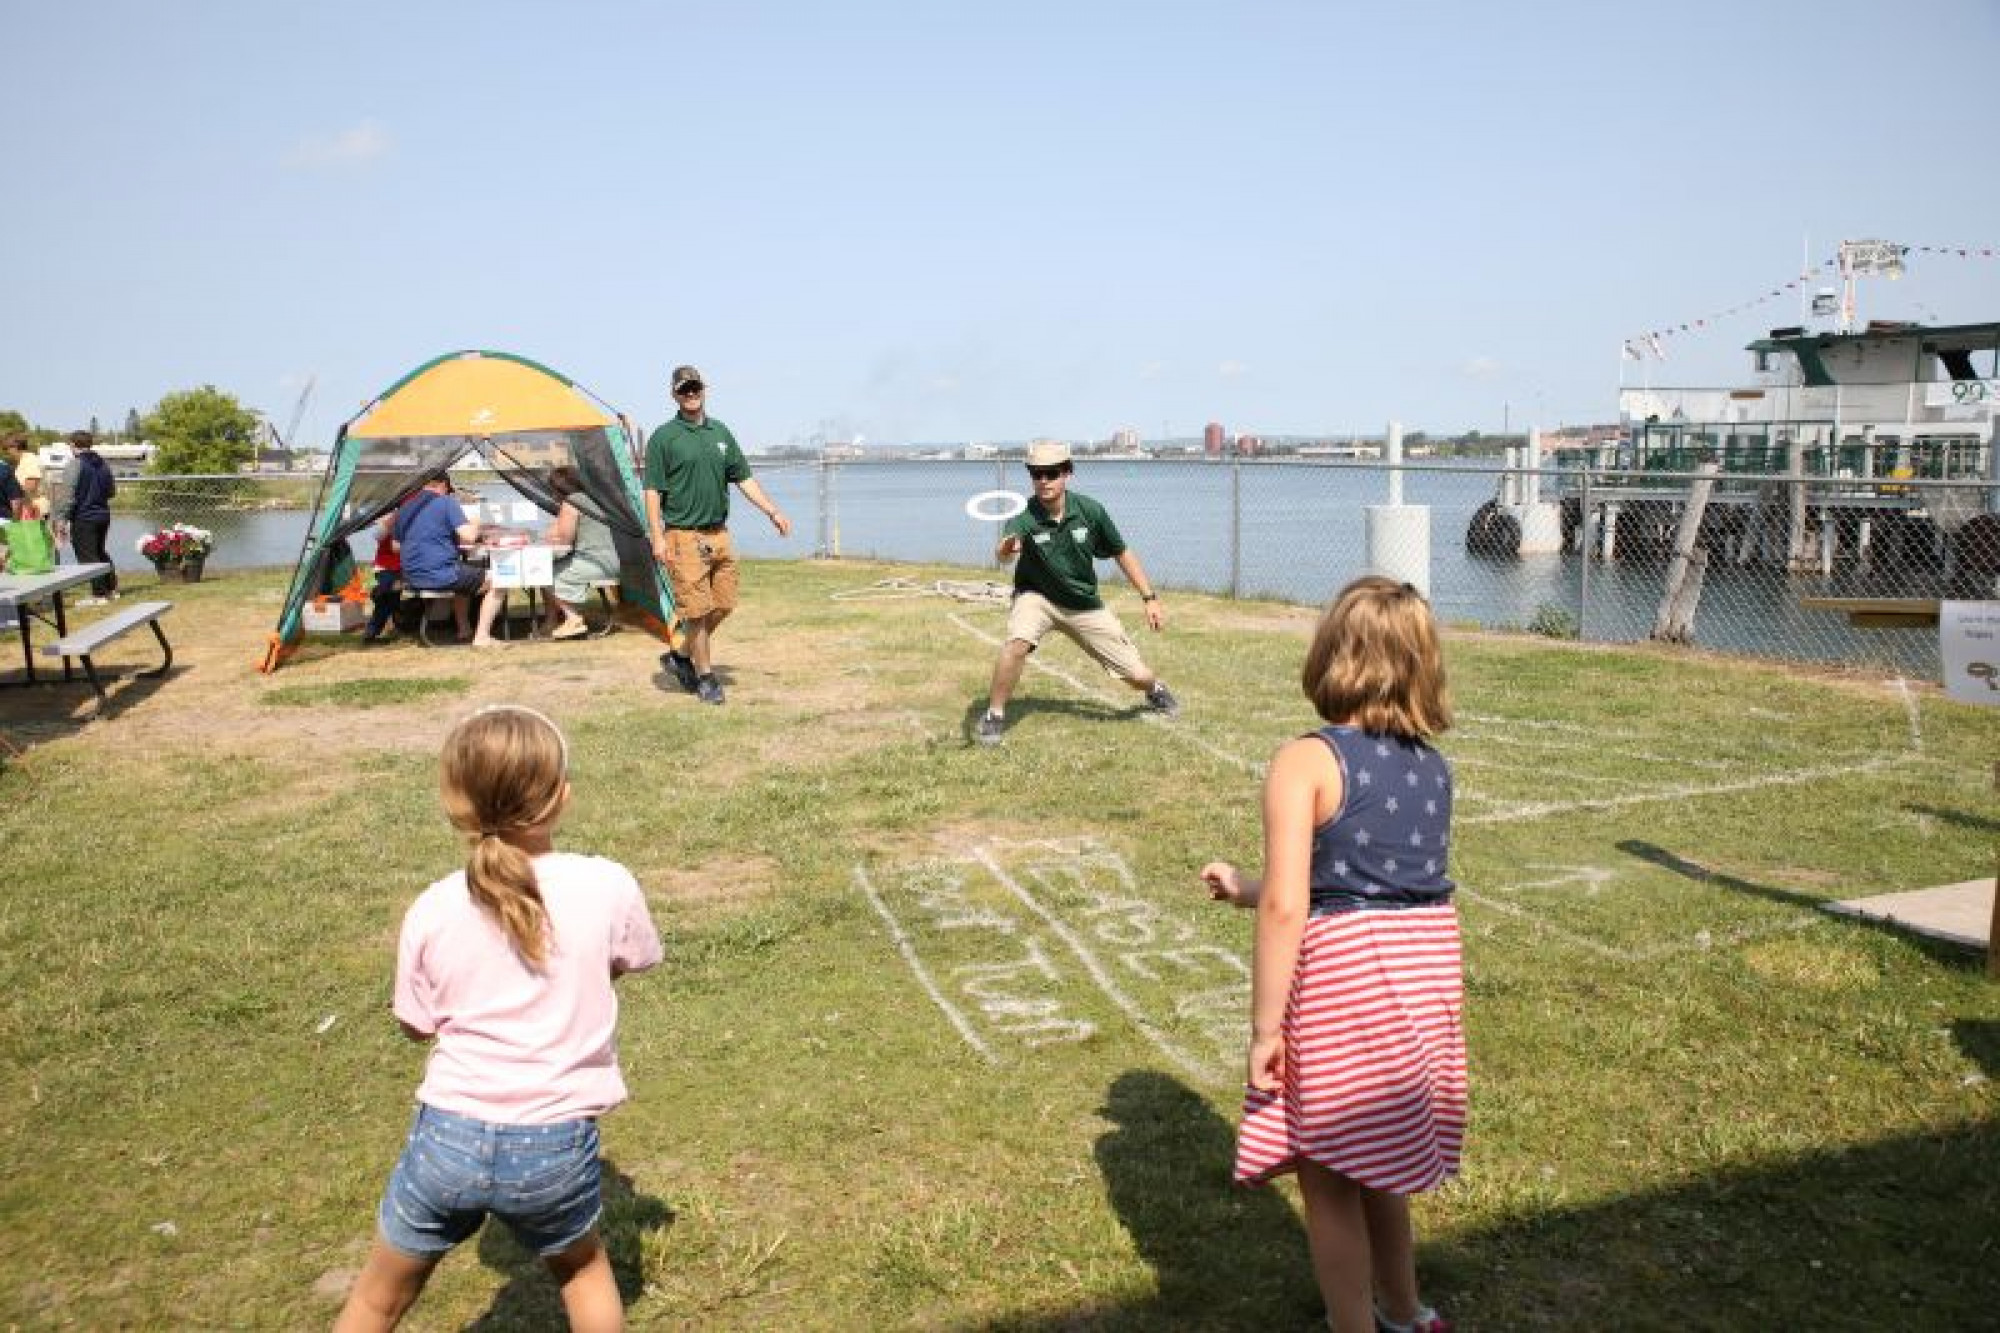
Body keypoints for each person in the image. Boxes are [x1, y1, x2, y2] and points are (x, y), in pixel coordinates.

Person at [334, 704, 663, 1333]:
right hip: (554, 1144)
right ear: (560, 797)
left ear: (454, 799)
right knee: (582, 1271)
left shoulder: (432, 906)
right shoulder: (606, 883)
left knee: (377, 1300)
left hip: (446, 1140)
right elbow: (632, 958)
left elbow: (416, 1023)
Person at [1199, 576, 1463, 1333]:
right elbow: (1359, 878)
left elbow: (1296, 904)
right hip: (1427, 966)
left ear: (1330, 654)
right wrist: (1244, 886)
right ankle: (1409, 1312)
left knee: (1327, 1175)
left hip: (1351, 977)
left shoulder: (1305, 760)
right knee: (1379, 1156)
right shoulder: (1431, 766)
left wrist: (1264, 1029)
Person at [975, 440, 1178, 745]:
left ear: (1067, 473)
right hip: (1037, 598)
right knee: (1017, 643)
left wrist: (1149, 598)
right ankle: (994, 715)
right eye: (1036, 473)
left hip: (1083, 605)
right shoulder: (1024, 516)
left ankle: (1155, 689)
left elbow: (1121, 553)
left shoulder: (1090, 511)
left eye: (1051, 473)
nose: (1043, 480)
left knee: (1138, 676)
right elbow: (1004, 555)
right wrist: (1006, 549)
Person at [644, 365, 791, 705]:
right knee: (695, 612)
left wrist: (773, 511)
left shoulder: (721, 433)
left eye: (695, 387)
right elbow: (652, 491)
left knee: (723, 605)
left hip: (719, 534)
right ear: (674, 395)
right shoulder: (664, 437)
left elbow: (744, 479)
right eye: (684, 389)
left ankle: (681, 656)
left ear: (705, 389)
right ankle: (705, 678)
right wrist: (657, 537)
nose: (691, 393)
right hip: (682, 536)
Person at [393, 473, 500, 646]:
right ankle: (482, 637)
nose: (449, 493)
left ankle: (464, 629)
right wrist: (476, 522)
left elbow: (395, 547)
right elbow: (469, 536)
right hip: (440, 574)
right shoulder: (446, 502)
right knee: (499, 580)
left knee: (466, 576)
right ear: (443, 485)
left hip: (411, 577)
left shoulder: (406, 507)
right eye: (449, 490)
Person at [544, 465, 621, 641]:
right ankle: (555, 620)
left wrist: (552, 533)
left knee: (545, 574)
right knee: (551, 568)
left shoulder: (572, 502)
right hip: (613, 560)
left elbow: (564, 539)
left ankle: (573, 619)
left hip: (593, 562)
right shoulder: (596, 498)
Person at [59, 430, 119, 605]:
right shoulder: (103, 464)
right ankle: (111, 590)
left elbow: (67, 496)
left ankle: (99, 595)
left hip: (84, 517)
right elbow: (112, 492)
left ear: (72, 445)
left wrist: (62, 520)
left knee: (88, 556)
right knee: (99, 551)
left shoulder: (74, 464)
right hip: (103, 515)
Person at [362, 505, 405, 643]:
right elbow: (378, 536)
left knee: (391, 598)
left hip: (405, 568)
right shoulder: (391, 520)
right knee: (388, 598)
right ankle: (373, 631)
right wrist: (391, 521)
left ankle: (376, 629)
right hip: (385, 566)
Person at [2, 434, 48, 519]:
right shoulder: (22, 461)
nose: (6, 453)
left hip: (33, 509)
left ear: (15, 447)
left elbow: (31, 486)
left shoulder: (30, 460)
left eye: (6, 449)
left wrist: (10, 493)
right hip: (26, 508)